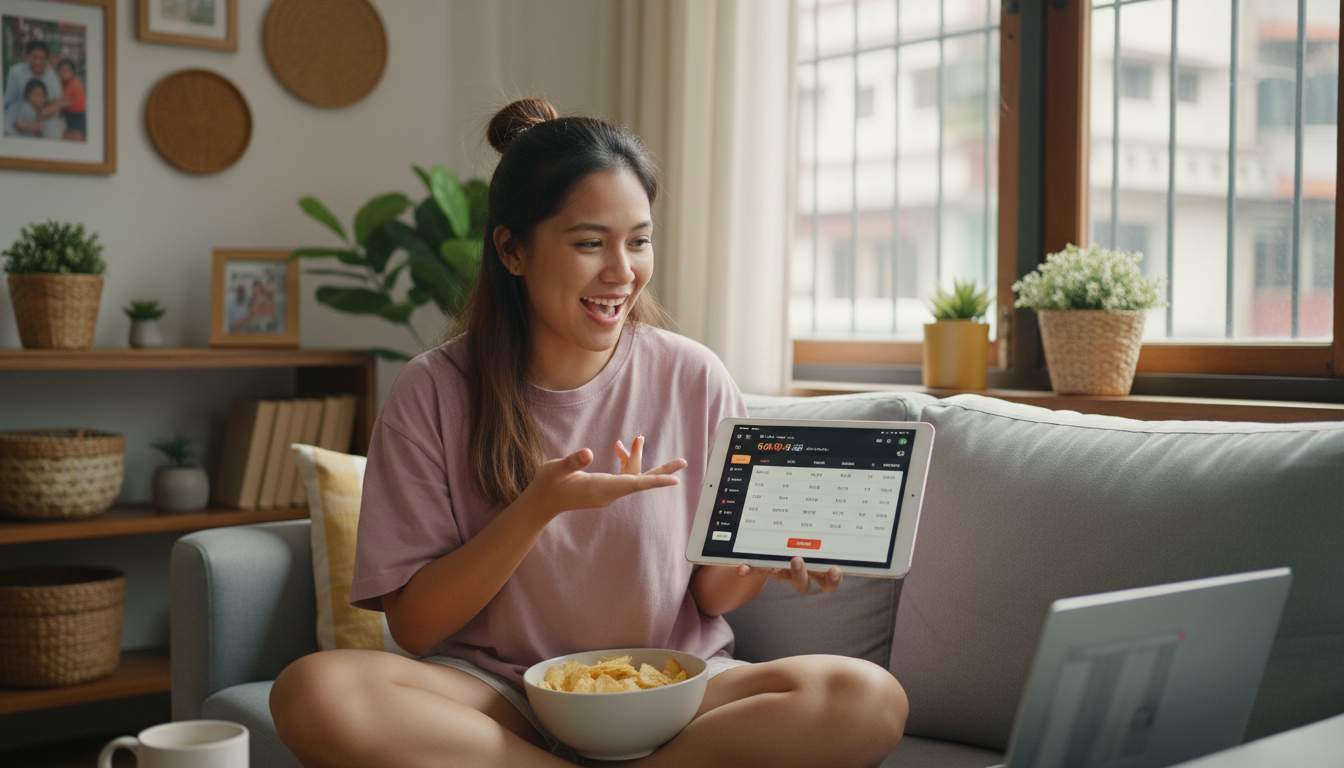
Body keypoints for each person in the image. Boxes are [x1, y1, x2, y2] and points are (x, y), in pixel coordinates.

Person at [269, 97, 908, 767]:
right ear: (512, 250)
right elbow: (416, 627)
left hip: (670, 688)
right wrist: (536, 508)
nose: (622, 271)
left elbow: (713, 593)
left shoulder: (695, 377)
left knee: (867, 698)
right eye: (589, 243)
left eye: (639, 240)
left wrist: (767, 555)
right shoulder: (433, 390)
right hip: (506, 699)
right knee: (314, 692)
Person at [3, 39, 62, 114]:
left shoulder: (52, 76)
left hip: (44, 115)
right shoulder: (15, 72)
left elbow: (57, 102)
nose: (37, 62)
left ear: (47, 59)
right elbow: (9, 101)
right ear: (27, 57)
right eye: (34, 57)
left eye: (42, 58)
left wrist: (44, 113)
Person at [55, 58, 85, 140]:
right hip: (70, 116)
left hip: (77, 117)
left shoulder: (74, 84)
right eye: (61, 70)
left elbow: (63, 103)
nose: (62, 73)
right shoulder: (65, 83)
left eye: (65, 71)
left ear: (72, 72)